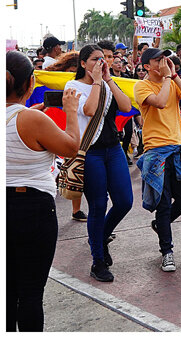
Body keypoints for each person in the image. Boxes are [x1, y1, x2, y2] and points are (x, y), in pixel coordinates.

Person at [7, 51, 83, 331]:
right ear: (29, 85)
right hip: (32, 208)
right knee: (30, 294)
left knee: (6, 293)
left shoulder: (28, 118)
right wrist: (71, 111)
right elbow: (71, 147)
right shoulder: (32, 120)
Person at [65, 43, 135, 283]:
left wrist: (109, 80)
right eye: (95, 59)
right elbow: (89, 110)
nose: (101, 63)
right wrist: (96, 82)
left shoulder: (107, 83)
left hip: (113, 148)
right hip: (91, 152)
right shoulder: (73, 86)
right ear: (83, 64)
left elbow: (126, 107)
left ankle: (100, 236)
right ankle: (98, 260)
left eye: (104, 59)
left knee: (125, 201)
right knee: (98, 205)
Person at [133, 47, 181, 271]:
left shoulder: (171, 81)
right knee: (163, 204)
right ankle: (167, 251)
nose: (163, 62)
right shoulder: (141, 86)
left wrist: (173, 76)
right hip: (156, 152)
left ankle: (159, 226)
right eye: (157, 60)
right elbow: (160, 102)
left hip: (178, 149)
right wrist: (166, 79)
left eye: (164, 58)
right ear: (146, 66)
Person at [44, 52, 87, 221]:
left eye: (77, 70)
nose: (74, 73)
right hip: (51, 123)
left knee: (75, 168)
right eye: (71, 69)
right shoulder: (52, 80)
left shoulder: (84, 84)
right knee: (51, 167)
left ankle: (76, 210)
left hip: (72, 125)